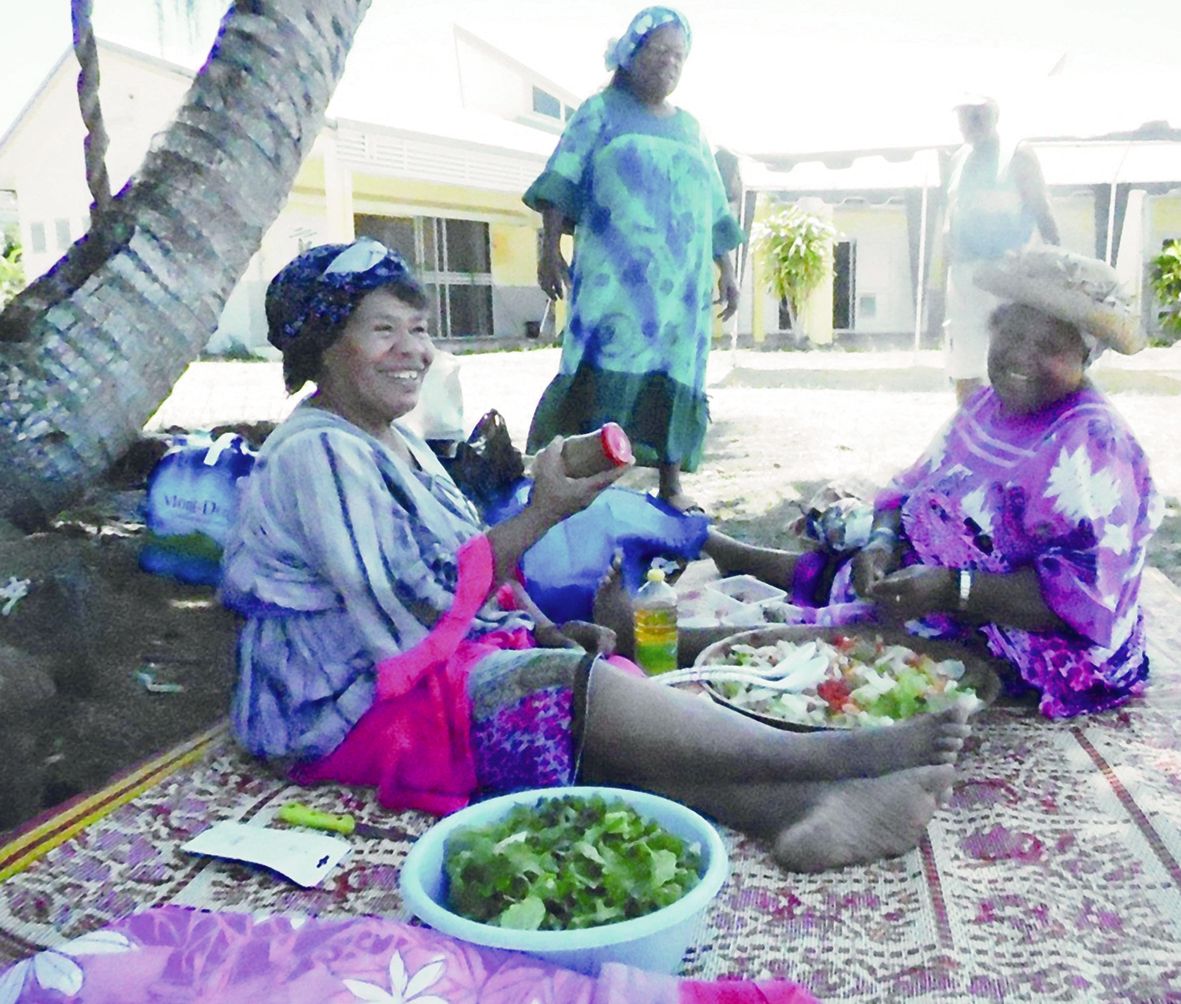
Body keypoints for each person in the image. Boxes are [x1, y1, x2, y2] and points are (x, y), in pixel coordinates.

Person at [220, 238, 970, 874]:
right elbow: (421, 600)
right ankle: (831, 762)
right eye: (383, 329)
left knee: (582, 683)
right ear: (321, 346)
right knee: (562, 690)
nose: (412, 350)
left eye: (417, 329)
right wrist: (545, 515)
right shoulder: (316, 452)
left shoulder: (392, 438)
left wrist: (544, 626)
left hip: (410, 659)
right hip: (340, 705)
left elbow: (469, 563)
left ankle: (791, 811)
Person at [689, 248, 1161, 719]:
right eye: (1013, 333)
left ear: (1086, 356)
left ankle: (679, 641)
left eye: (1050, 346)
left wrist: (952, 590)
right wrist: (880, 543)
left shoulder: (1093, 443)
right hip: (952, 586)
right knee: (863, 560)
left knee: (830, 648)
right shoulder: (987, 405)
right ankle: (743, 560)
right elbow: (911, 489)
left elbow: (1079, 602)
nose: (1022, 355)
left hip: (1037, 643)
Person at [523, 6, 742, 511]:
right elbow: (562, 179)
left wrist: (727, 269)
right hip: (614, 281)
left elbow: (712, 205)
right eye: (659, 51)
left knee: (678, 367)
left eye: (678, 57)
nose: (669, 64)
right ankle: (591, 480)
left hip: (681, 287)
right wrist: (549, 246)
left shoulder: (691, 128)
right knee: (607, 362)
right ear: (631, 52)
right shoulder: (600, 112)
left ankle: (670, 481)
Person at [943, 95, 1060, 405]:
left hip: (1008, 277)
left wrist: (1058, 270)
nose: (971, 123)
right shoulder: (957, 159)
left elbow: (1043, 211)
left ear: (995, 114)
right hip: (965, 280)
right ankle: (968, 435)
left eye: (979, 115)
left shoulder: (1018, 154)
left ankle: (1013, 437)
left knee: (1012, 364)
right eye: (965, 115)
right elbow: (950, 220)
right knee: (965, 365)